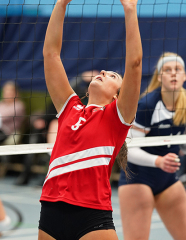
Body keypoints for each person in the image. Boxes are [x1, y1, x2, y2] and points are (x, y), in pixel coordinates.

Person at [38, 0, 142, 239]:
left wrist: (130, 9)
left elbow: (135, 65)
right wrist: (61, 4)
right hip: (51, 211)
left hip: (91, 216)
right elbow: (50, 54)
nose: (103, 72)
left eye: (113, 75)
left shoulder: (117, 117)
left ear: (118, 95)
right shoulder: (69, 108)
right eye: (104, 71)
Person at [118, 52, 186, 240]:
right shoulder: (147, 105)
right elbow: (128, 150)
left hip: (167, 179)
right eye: (167, 70)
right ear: (160, 76)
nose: (173, 74)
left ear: (184, 76)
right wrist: (158, 161)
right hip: (137, 179)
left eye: (177, 70)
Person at [15, 70, 99, 185]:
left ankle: (50, 176)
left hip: (68, 130)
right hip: (50, 125)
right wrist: (42, 120)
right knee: (34, 139)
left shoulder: (88, 99)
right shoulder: (69, 95)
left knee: (56, 140)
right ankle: (26, 176)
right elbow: (52, 107)